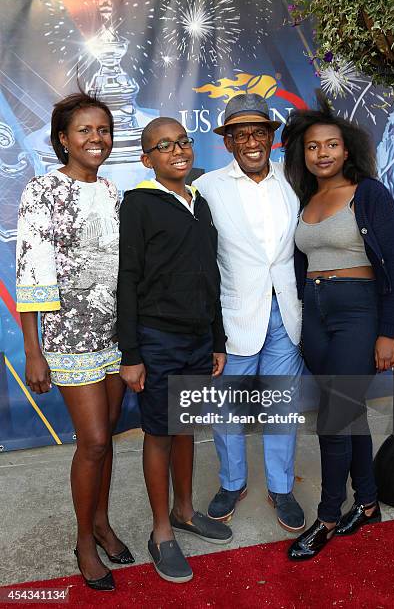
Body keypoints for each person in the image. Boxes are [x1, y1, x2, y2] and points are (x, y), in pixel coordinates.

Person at [16, 92, 132, 592]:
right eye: (84, 131)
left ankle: (103, 522)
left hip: (114, 334)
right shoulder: (42, 190)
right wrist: (33, 349)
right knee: (95, 442)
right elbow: (31, 272)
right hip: (69, 336)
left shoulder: (111, 191)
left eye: (103, 130)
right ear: (63, 139)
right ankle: (84, 538)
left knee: (106, 436)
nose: (96, 139)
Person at [282, 95, 394, 560]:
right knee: (348, 411)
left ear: (347, 149)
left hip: (359, 311)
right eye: (313, 147)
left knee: (332, 419)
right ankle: (369, 502)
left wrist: (388, 331)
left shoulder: (369, 193)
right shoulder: (306, 197)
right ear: (304, 154)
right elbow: (301, 262)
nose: (323, 153)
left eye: (331, 144)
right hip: (314, 313)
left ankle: (328, 515)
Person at [117, 117, 232, 584]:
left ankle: (185, 511)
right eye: (164, 146)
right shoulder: (140, 205)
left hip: (199, 340)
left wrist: (218, 340)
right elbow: (127, 278)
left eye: (183, 141)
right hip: (157, 340)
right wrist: (131, 353)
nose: (177, 150)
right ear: (148, 159)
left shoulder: (201, 202)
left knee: (187, 428)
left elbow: (211, 275)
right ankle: (161, 530)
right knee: (161, 433)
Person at [193, 94, 305, 531]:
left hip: (286, 314)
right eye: (241, 135)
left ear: (272, 138)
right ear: (228, 143)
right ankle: (232, 482)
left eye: (258, 132)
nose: (251, 141)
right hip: (234, 316)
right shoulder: (208, 188)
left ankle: (281, 487)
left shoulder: (294, 179)